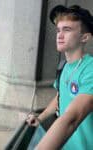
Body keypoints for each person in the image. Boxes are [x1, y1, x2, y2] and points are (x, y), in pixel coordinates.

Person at [26, 4, 93, 150]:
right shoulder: (64, 67)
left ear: (84, 37)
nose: (59, 35)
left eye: (67, 30)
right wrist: (40, 118)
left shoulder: (90, 68)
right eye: (58, 30)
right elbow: (59, 97)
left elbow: (72, 118)